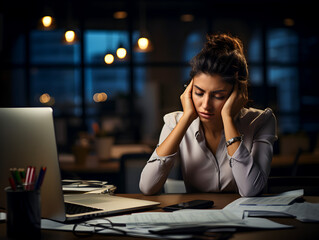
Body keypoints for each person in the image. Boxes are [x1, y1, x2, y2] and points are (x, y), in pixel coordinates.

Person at [139, 33, 277, 197]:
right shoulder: (174, 122)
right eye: (199, 93)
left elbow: (250, 189)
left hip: (243, 219)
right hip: (197, 218)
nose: (205, 105)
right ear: (189, 90)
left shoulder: (261, 121)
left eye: (218, 96)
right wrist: (186, 119)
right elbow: (147, 187)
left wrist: (227, 118)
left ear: (238, 93)